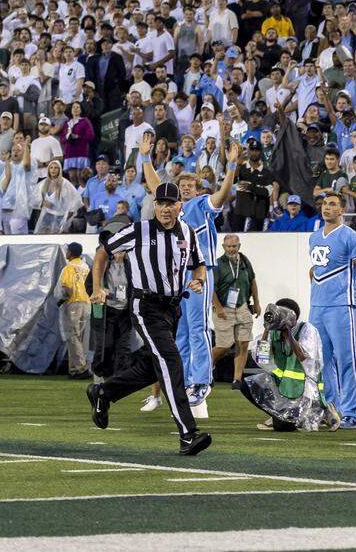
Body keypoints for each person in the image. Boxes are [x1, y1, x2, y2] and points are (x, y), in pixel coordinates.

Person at [87, 182, 212, 456]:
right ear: (154, 205)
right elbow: (102, 252)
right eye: (161, 203)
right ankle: (188, 434)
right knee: (170, 361)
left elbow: (199, 264)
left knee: (152, 367)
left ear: (180, 206)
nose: (166, 209)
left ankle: (104, 392)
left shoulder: (188, 232)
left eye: (171, 203)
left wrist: (199, 280)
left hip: (172, 309)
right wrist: (97, 287)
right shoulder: (138, 230)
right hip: (145, 305)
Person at [139, 132, 241, 416]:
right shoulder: (172, 208)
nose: (185, 188)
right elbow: (155, 185)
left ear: (198, 190)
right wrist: (145, 157)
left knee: (198, 327)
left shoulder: (202, 205)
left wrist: (231, 167)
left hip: (199, 272)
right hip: (175, 275)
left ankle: (202, 381)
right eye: (181, 185)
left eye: (190, 185)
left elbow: (222, 195)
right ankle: (184, 382)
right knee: (180, 331)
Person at [307, 192, 356, 429]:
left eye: (333, 204)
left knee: (347, 360)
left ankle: (353, 414)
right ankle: (331, 410)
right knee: (322, 362)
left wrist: (353, 289)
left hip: (342, 306)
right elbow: (315, 270)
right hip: (317, 307)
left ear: (342, 210)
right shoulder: (314, 237)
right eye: (325, 204)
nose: (327, 207)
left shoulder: (350, 236)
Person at [240, 299, 340, 432]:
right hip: (282, 386)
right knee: (247, 385)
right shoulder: (274, 332)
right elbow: (261, 358)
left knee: (283, 427)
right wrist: (266, 330)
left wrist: (289, 335)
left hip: (304, 389)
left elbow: (303, 356)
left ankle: (321, 410)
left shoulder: (306, 329)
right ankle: (276, 414)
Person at [86, 216, 135, 382]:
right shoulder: (101, 263)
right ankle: (100, 378)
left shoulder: (131, 264)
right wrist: (99, 291)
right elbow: (89, 285)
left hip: (125, 311)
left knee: (124, 347)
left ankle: (119, 380)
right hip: (103, 310)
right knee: (104, 345)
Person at [211, 235, 261, 389]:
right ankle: (205, 368)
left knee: (243, 343)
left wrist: (257, 303)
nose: (231, 249)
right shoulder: (218, 264)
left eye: (234, 246)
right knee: (224, 345)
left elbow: (252, 281)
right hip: (224, 308)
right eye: (229, 246)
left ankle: (237, 380)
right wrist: (218, 307)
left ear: (239, 246)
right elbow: (211, 288)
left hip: (242, 307)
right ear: (223, 247)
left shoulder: (244, 261)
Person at [56, 242, 91, 379]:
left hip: (74, 304)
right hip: (87, 304)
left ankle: (80, 369)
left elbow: (67, 289)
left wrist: (60, 301)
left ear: (70, 252)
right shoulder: (86, 267)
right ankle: (74, 370)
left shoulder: (69, 268)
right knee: (79, 338)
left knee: (73, 337)